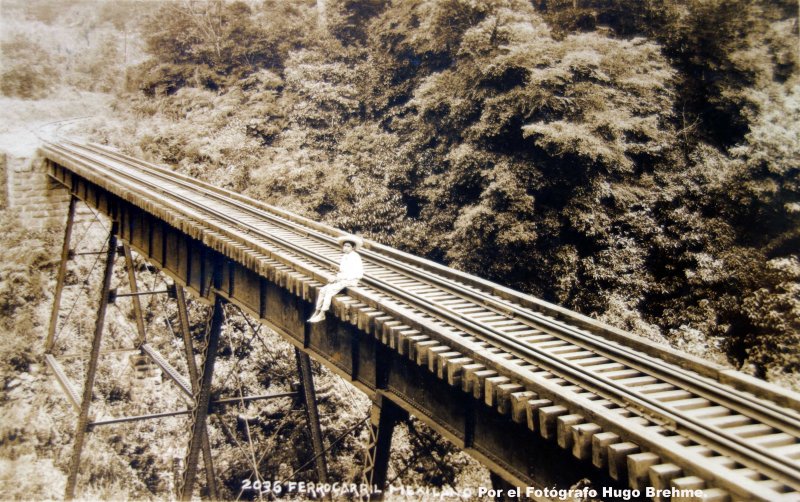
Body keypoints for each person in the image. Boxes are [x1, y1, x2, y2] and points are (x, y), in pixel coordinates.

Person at [307, 234, 364, 323]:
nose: (345, 248)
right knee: (323, 290)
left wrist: (337, 279)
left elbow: (356, 273)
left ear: (352, 248)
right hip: (344, 278)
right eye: (345, 246)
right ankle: (317, 311)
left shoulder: (355, 257)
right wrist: (336, 277)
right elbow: (343, 272)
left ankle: (322, 314)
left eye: (348, 246)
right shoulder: (345, 256)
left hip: (351, 280)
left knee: (329, 290)